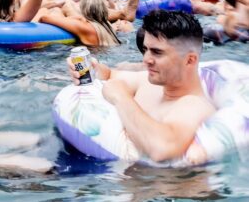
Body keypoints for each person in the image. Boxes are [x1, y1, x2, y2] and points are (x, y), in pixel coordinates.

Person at [66, 10, 215, 163]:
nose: (146, 60)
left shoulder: (194, 106)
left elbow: (161, 149)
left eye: (157, 52)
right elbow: (109, 74)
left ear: (190, 60)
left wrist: (121, 98)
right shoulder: (147, 82)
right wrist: (87, 68)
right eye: (145, 50)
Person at [40, 0, 121, 46]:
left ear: (83, 7)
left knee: (54, 10)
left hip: (94, 62)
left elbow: (44, 18)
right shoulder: (107, 25)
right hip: (105, 56)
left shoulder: (85, 27)